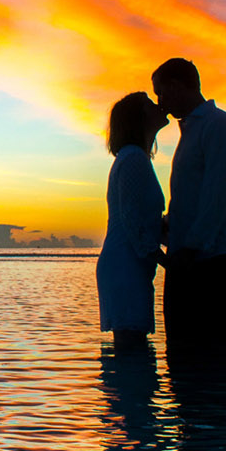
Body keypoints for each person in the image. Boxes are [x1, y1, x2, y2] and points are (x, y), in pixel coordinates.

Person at [152, 58, 226, 350]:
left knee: (220, 358)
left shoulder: (219, 126)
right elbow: (191, 200)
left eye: (161, 93)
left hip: (215, 263)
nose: (160, 103)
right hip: (189, 259)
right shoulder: (193, 131)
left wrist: (188, 251)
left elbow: (218, 196)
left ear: (176, 86)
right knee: (184, 360)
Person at [96, 91, 168, 351]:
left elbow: (141, 218)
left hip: (128, 264)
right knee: (131, 352)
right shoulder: (133, 158)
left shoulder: (133, 158)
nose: (158, 105)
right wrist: (168, 261)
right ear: (139, 118)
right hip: (125, 266)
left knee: (131, 352)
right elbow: (132, 219)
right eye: (150, 104)